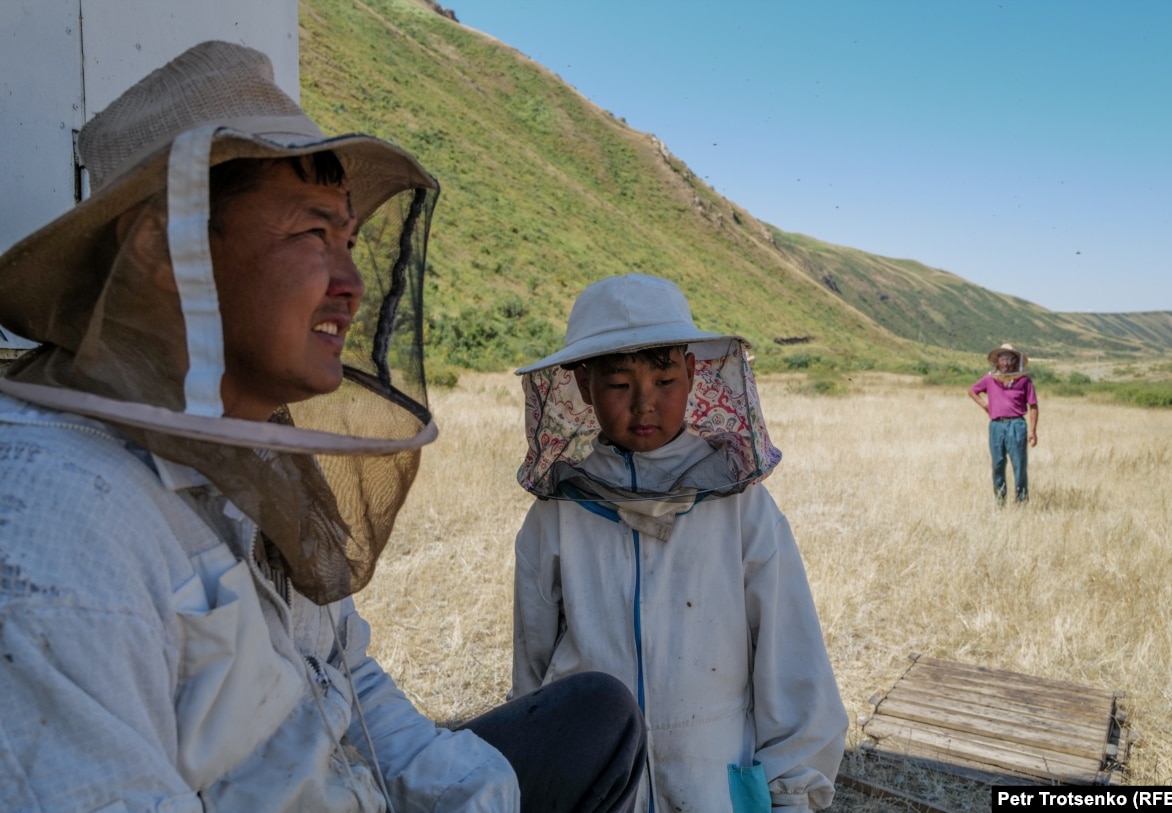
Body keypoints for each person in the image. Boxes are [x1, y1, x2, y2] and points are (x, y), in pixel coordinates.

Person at [0, 41, 645, 812]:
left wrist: (479, 797)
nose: (353, 285)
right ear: (164, 251)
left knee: (596, 720)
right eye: (313, 235)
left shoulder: (248, 448)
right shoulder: (53, 521)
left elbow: (344, 677)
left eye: (349, 240)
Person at [511, 274, 848, 812]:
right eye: (619, 384)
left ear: (691, 374)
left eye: (664, 380)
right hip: (594, 790)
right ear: (582, 384)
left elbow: (792, 660)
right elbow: (532, 676)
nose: (645, 405)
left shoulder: (741, 506)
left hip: (714, 784)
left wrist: (792, 793)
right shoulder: (556, 515)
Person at [969, 342, 1040, 504]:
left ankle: (1021, 502)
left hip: (1017, 425)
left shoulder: (1024, 381)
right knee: (998, 464)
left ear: (1015, 361)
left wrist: (1033, 431)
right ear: (997, 361)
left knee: (1019, 464)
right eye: (1003, 359)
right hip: (996, 426)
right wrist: (985, 406)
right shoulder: (989, 379)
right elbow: (972, 391)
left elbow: (1033, 406)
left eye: (1009, 359)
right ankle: (999, 501)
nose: (1006, 363)